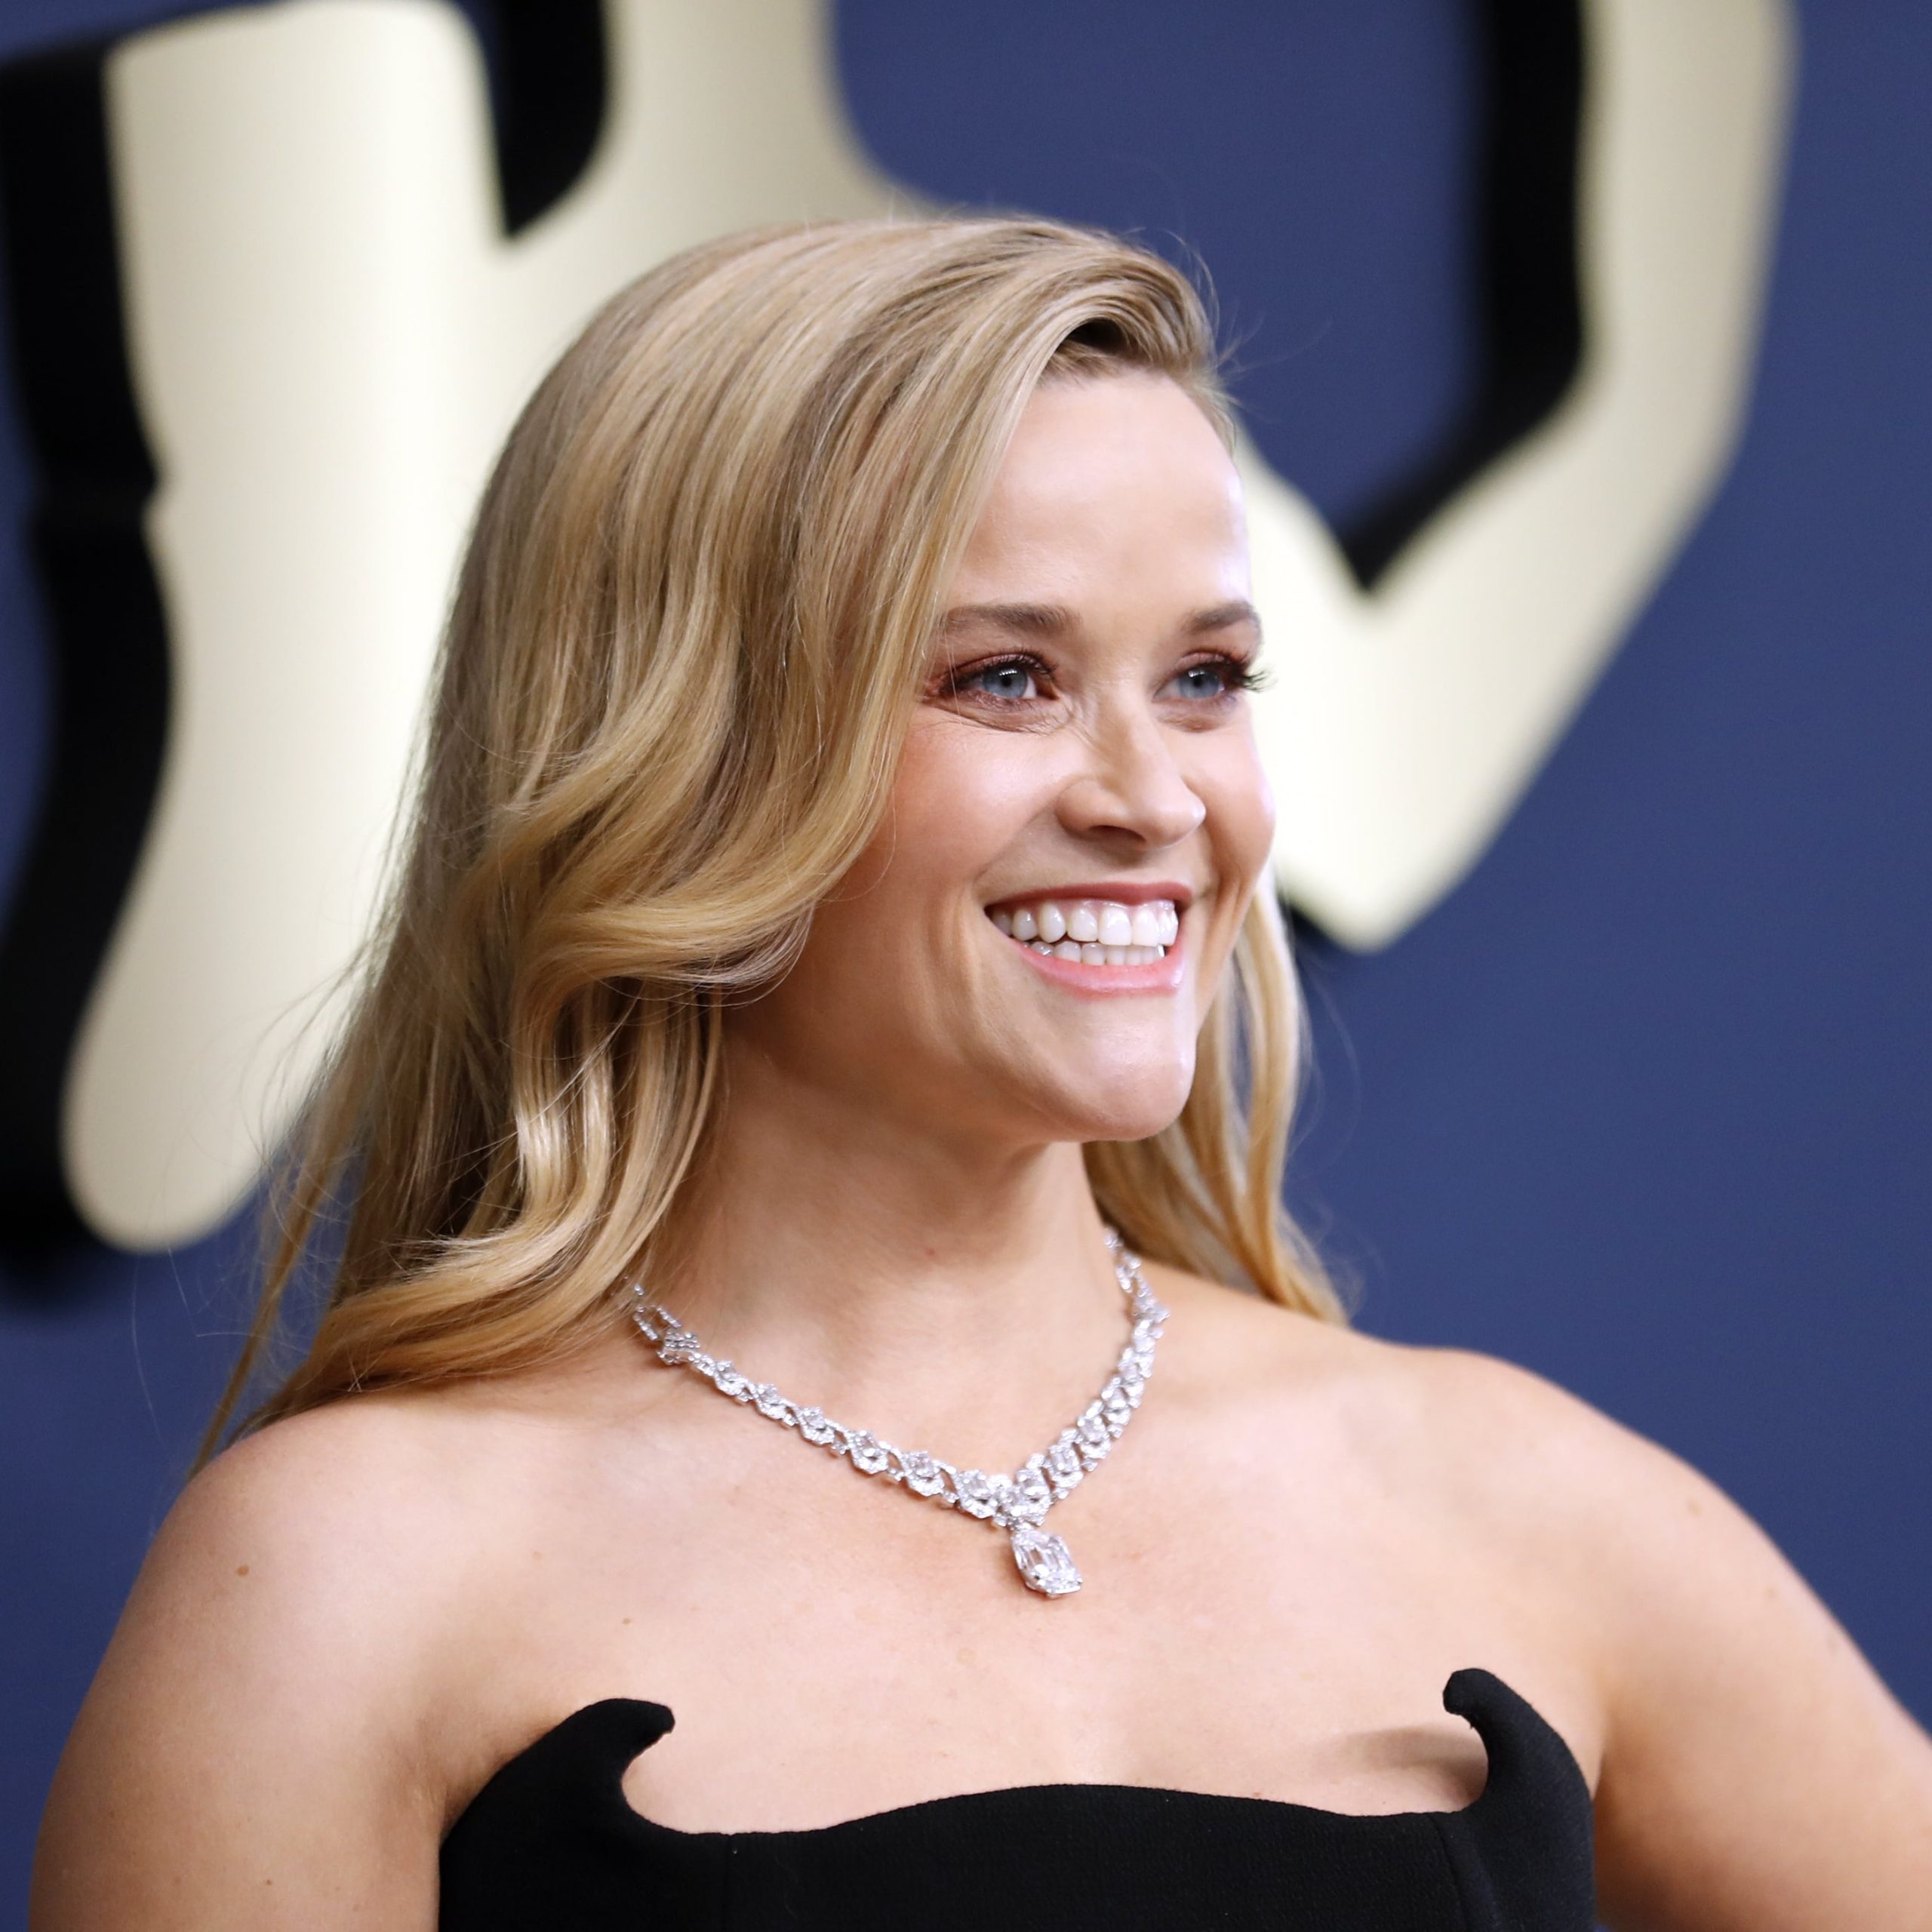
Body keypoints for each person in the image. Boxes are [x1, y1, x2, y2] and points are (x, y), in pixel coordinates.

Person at [29, 217, 1932, 1930]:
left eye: (1203, 677)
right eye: (1003, 678)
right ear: (681, 755)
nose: (1152, 796)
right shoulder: (348, 1576)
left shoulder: (1500, 1490)